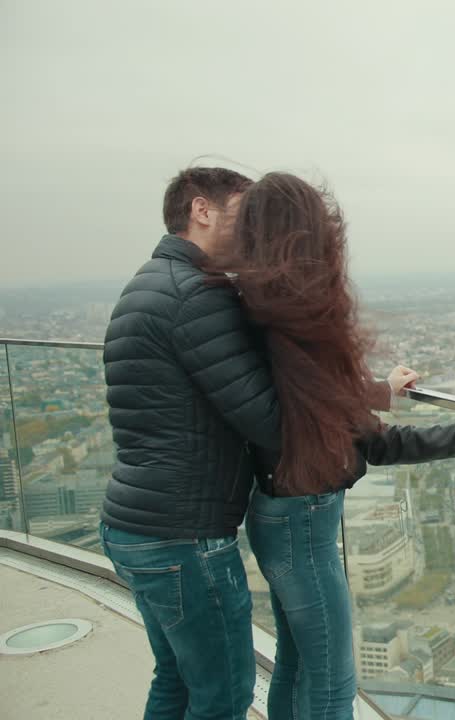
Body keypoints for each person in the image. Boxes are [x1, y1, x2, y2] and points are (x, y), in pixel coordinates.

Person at [223, 171, 455, 719]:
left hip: (278, 514)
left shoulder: (251, 309)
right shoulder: (289, 317)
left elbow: (307, 402)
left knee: (296, 667)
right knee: (334, 685)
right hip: (303, 520)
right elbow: (365, 438)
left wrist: (376, 393)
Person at [100, 167, 278, 720]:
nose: (253, 231)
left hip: (134, 526)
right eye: (244, 214)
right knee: (222, 696)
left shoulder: (147, 283)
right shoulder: (196, 294)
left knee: (175, 681)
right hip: (184, 538)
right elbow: (266, 419)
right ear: (202, 210)